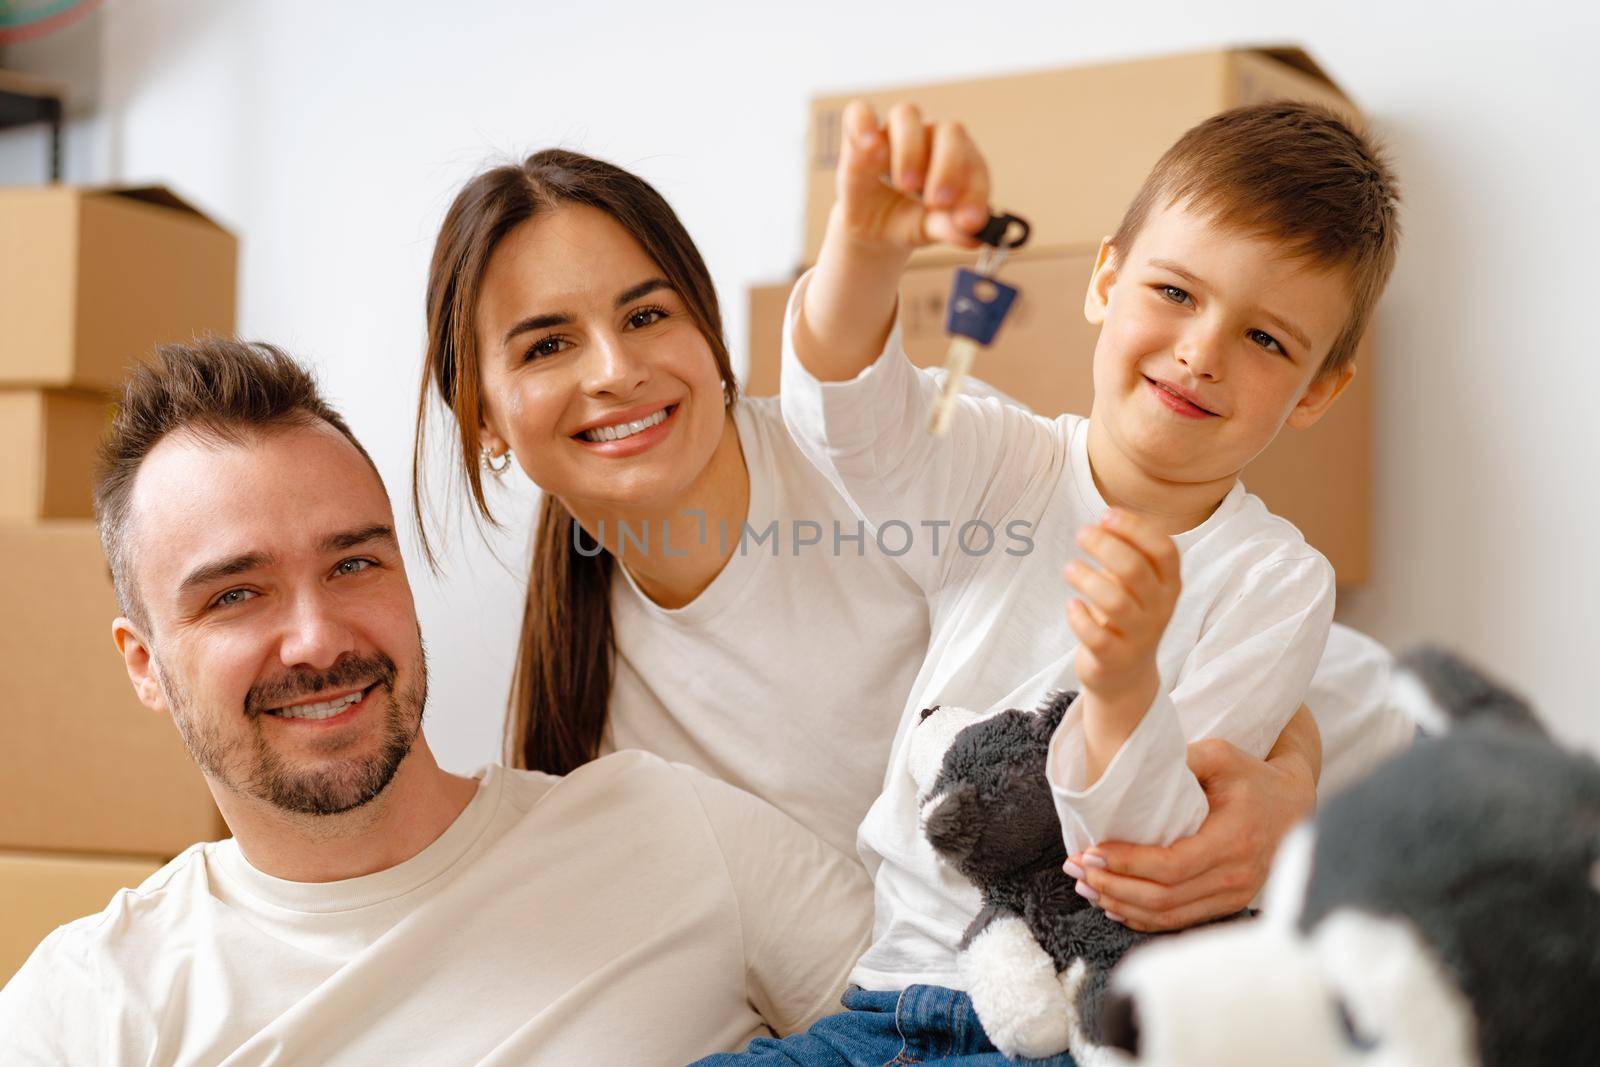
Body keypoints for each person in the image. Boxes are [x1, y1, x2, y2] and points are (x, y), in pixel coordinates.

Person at [413, 148, 1395, 938]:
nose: (616, 369)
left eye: (646, 313)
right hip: (949, 974)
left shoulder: (909, 460)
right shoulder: (595, 711)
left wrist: (1288, 788)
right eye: (546, 343)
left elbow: (1302, 684)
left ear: (710, 335)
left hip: (1310, 797)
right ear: (483, 418)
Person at [698, 97, 1402, 1062]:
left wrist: (1122, 688)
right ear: (1105, 278)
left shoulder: (1276, 580)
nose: (1201, 352)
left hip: (1063, 1024)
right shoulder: (1007, 462)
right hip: (890, 996)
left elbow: (1153, 857)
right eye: (1176, 293)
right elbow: (848, 425)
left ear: (1319, 387)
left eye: (1267, 340)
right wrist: (864, 249)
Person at [0, 339, 870, 1066]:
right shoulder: (88, 1009)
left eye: (353, 564)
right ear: (144, 664)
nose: (319, 639)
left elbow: (964, 1018)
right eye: (236, 594)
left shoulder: (675, 833)